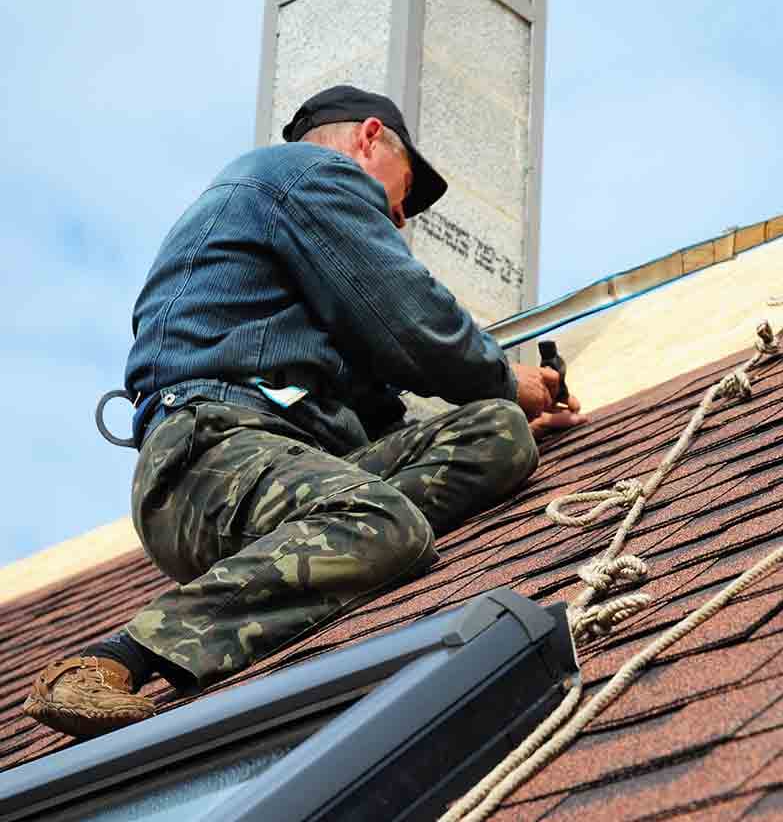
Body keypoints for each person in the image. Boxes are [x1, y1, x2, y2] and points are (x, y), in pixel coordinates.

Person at [23, 85, 585, 738]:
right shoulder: (308, 175)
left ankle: (322, 543)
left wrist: (506, 405)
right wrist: (505, 376)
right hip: (209, 455)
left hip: (288, 462)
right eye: (397, 202)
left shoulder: (298, 271)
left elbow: (385, 417)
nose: (396, 223)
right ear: (368, 139)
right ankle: (118, 657)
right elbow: (412, 323)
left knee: (498, 433)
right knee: (388, 520)